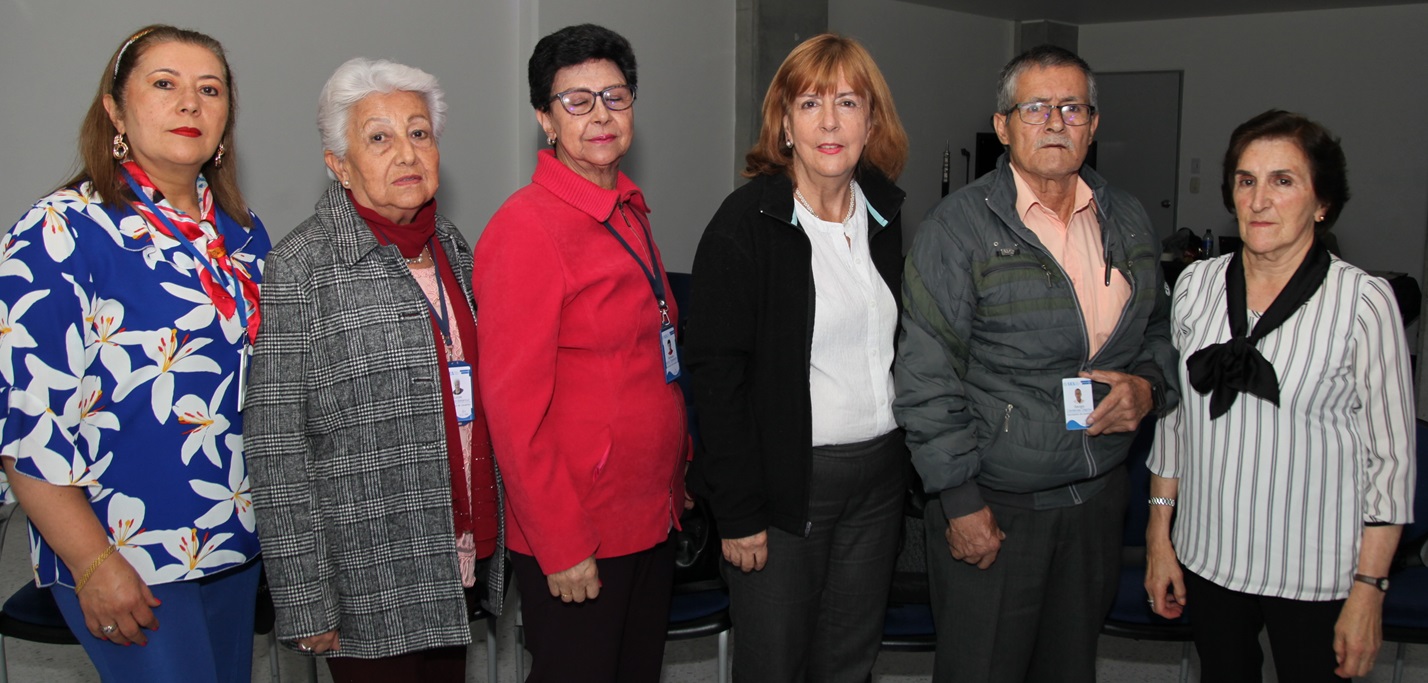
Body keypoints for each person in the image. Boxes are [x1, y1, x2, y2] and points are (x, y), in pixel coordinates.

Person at [894, 44, 1178, 683]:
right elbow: (925, 375)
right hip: (997, 504)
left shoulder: (1126, 219)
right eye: (1036, 107)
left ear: (1094, 124)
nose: (1056, 121)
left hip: (1097, 499)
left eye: (1073, 107)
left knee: (1068, 667)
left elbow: (1158, 331)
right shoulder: (958, 229)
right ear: (1003, 127)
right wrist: (960, 500)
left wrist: (1150, 387)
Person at [0, 25, 267, 683]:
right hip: (124, 551)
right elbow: (26, 427)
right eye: (164, 84)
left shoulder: (241, 235)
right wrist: (94, 564)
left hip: (234, 539)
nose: (190, 104)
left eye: (210, 89)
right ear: (115, 110)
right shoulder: (61, 232)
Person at [244, 58, 503, 682]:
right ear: (339, 164)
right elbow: (276, 443)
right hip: (366, 571)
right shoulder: (301, 267)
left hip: (455, 547)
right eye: (379, 137)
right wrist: (303, 597)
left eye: (419, 132)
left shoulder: (455, 247)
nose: (406, 153)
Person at [1144, 110, 1415, 681]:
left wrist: (1369, 591)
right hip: (1209, 557)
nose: (1259, 200)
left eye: (1282, 181)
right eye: (1247, 181)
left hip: (1316, 572)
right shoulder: (1195, 286)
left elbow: (1391, 462)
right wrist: (1158, 535)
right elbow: (1176, 423)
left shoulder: (1364, 304)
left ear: (1322, 202)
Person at [685, 33, 909, 683]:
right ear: (784, 123)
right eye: (810, 103)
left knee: (849, 660)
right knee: (776, 663)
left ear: (872, 120)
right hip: (784, 482)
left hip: (877, 477)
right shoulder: (744, 225)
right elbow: (717, 377)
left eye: (847, 102)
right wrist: (740, 510)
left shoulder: (886, 216)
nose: (830, 122)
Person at [473, 24, 688, 683]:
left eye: (615, 96)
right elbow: (512, 409)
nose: (600, 114)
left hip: (647, 517)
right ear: (545, 118)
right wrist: (562, 542)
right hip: (581, 532)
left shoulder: (627, 209)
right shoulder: (526, 227)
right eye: (577, 100)